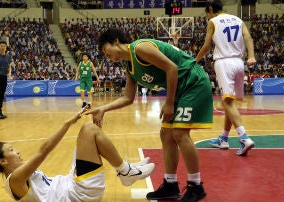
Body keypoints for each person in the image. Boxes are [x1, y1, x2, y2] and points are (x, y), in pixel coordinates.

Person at [85, 28, 213, 202]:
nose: (107, 56)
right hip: (180, 89)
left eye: (106, 50)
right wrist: (103, 109)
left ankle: (196, 186)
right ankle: (170, 184)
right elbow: (128, 98)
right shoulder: (129, 65)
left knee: (180, 133)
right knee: (166, 134)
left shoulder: (140, 48)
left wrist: (168, 103)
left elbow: (172, 68)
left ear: (115, 41)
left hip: (192, 82)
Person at [0, 110, 155, 201]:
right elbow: (44, 150)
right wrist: (67, 123)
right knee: (89, 130)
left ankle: (125, 169)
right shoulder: (14, 181)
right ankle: (125, 172)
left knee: (88, 135)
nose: (18, 151)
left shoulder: (18, 177)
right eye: (11, 150)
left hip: (70, 184)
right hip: (77, 195)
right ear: (3, 161)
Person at [195, 0, 256, 156]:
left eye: (206, 13)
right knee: (228, 102)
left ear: (210, 9)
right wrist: (251, 56)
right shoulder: (238, 19)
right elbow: (248, 38)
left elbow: (207, 46)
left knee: (227, 102)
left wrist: (194, 60)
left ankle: (244, 138)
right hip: (239, 63)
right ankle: (224, 138)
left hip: (224, 63)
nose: (207, 16)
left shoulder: (213, 22)